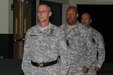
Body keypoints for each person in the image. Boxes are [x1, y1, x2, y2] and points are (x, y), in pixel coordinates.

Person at [22, 4, 70, 75]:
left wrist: (62, 73)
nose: (40, 14)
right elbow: (26, 54)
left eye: (43, 11)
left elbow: (65, 56)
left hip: (52, 71)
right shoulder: (30, 31)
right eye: (39, 11)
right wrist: (26, 71)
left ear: (49, 14)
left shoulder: (58, 32)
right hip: (33, 71)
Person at [60, 6, 97, 75]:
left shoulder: (85, 30)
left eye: (72, 14)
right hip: (64, 69)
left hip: (79, 69)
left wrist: (87, 65)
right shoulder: (60, 29)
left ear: (77, 15)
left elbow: (92, 50)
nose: (69, 16)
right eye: (68, 14)